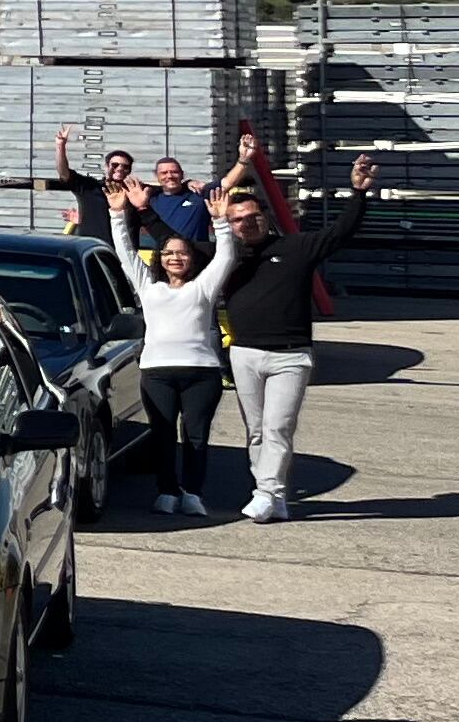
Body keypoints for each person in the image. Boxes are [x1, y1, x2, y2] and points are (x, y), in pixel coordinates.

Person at [214, 130, 378, 524]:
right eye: (238, 219)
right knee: (256, 430)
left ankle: (266, 492)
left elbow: (340, 234)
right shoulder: (227, 257)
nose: (247, 223)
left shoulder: (296, 248)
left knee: (278, 426)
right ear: (228, 225)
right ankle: (275, 495)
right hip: (244, 353)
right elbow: (176, 246)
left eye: (253, 216)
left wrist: (358, 193)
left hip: (290, 356)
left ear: (265, 216)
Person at [106, 189, 236, 518]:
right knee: (162, 436)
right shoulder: (148, 287)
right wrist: (118, 215)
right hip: (157, 373)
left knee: (196, 436)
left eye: (181, 253)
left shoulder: (203, 287)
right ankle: (166, 491)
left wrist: (221, 223)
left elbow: (225, 257)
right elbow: (125, 254)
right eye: (167, 253)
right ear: (159, 258)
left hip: (202, 374)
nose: (175, 258)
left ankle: (192, 493)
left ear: (192, 259)